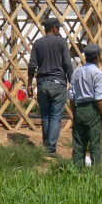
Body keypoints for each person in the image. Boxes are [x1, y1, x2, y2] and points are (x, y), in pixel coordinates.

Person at [26, 17, 74, 154]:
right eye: (58, 28)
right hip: (58, 83)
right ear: (54, 28)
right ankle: (50, 149)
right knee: (55, 117)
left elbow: (31, 65)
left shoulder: (37, 43)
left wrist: (29, 84)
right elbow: (67, 64)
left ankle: (46, 146)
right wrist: (72, 82)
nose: (59, 30)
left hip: (42, 83)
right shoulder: (61, 42)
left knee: (45, 116)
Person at [69, 43, 102, 167]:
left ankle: (77, 173)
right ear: (98, 56)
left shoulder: (76, 72)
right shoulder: (98, 73)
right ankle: (97, 173)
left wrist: (75, 113)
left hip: (79, 109)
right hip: (92, 109)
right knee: (95, 143)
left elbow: (71, 96)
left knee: (78, 144)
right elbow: (98, 98)